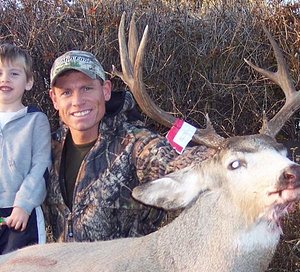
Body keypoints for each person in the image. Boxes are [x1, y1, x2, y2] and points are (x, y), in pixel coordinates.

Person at [44, 50, 214, 242]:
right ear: (54, 99)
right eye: (66, 92)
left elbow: (174, 163)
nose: (77, 101)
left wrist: (224, 158)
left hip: (126, 271)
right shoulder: (45, 148)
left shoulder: (135, 144)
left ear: (106, 90)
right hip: (63, 269)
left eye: (87, 89)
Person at [0, 43, 52, 254]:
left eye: (14, 73)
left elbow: (41, 167)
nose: (5, 79)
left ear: (28, 82)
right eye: (0, 73)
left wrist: (23, 205)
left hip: (22, 217)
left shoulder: (36, 121)